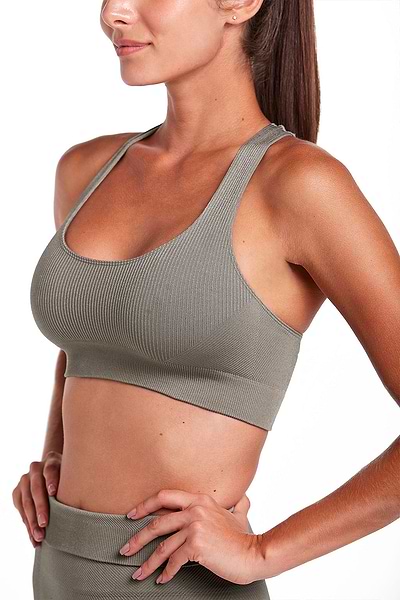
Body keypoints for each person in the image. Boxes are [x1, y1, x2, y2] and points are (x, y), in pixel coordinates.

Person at [13, 1, 400, 599]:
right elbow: (90, 341)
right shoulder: (85, 171)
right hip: (56, 573)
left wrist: (262, 552)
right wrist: (55, 454)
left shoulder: (298, 186)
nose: (113, 12)